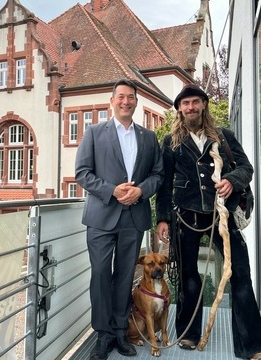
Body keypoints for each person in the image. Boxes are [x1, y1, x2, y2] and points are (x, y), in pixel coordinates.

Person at [155, 84, 261, 360]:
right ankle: (188, 333)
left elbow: (246, 168)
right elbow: (164, 184)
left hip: (223, 216)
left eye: (195, 102)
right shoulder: (170, 143)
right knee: (188, 277)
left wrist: (232, 179)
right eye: (186, 104)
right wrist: (162, 219)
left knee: (241, 275)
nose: (191, 107)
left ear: (204, 104)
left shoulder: (224, 137)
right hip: (186, 216)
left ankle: (252, 346)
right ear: (179, 109)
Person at [75, 79, 163, 360]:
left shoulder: (149, 138)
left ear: (136, 102)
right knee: (101, 275)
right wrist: (112, 190)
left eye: (131, 98)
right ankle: (102, 335)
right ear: (112, 101)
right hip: (101, 216)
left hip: (134, 217)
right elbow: (82, 173)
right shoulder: (93, 132)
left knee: (125, 277)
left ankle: (119, 333)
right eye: (121, 97)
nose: (126, 101)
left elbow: (158, 175)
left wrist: (140, 190)